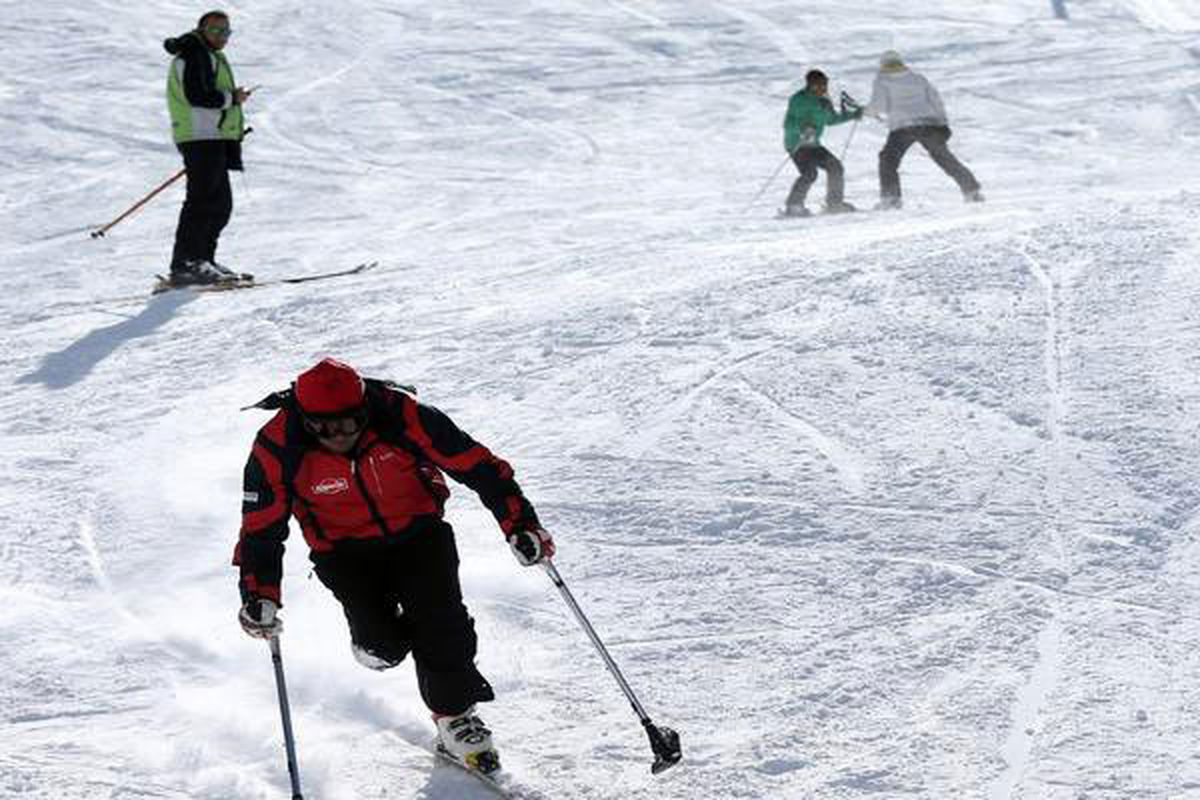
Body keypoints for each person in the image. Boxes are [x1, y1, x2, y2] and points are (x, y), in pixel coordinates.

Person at [234, 358, 555, 771]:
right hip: (344, 553)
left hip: (420, 535)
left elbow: (479, 467)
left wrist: (520, 525)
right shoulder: (277, 446)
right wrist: (259, 594)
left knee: (442, 623)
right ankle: (378, 643)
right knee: (382, 645)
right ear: (305, 418)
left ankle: (454, 715)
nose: (339, 437)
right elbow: (261, 528)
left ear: (365, 408)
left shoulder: (402, 415)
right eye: (324, 428)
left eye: (349, 424)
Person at [163, 10, 254, 285]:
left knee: (220, 203)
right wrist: (232, 98)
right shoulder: (195, 54)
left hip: (211, 137)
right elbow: (198, 95)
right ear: (201, 29)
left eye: (226, 32)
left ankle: (203, 259)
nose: (221, 37)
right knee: (204, 201)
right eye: (215, 30)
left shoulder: (207, 54)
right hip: (200, 136)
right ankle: (188, 263)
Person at [866, 50, 983, 209]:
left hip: (903, 127)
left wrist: (866, 111)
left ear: (882, 65)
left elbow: (879, 106)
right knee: (944, 158)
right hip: (929, 124)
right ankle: (972, 191)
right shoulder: (918, 78)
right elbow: (936, 100)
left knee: (888, 160)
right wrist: (943, 123)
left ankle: (891, 198)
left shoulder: (882, 80)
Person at [780, 69, 863, 217]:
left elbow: (831, 120)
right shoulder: (799, 99)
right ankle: (793, 206)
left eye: (824, 85)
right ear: (809, 85)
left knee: (835, 167)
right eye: (817, 86)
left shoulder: (824, 101)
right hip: (796, 144)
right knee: (810, 173)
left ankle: (834, 204)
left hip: (814, 145)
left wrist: (853, 115)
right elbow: (788, 123)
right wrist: (802, 129)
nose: (822, 89)